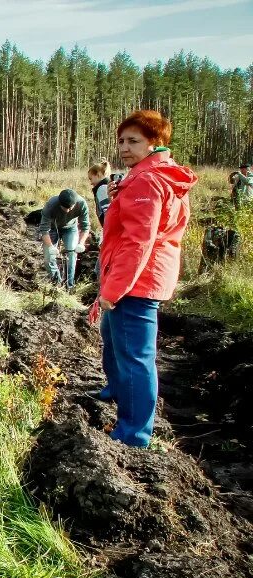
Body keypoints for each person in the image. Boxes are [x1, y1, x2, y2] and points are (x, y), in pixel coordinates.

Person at [92, 110, 197, 448]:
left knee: (136, 355)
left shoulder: (147, 181)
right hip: (138, 275)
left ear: (155, 142)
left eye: (134, 141)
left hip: (136, 281)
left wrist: (113, 290)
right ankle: (117, 392)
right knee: (114, 338)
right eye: (121, 140)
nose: (124, 147)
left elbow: (139, 241)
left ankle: (133, 432)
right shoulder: (148, 176)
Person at [37, 189, 91, 291]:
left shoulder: (81, 203)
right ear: (59, 203)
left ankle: (69, 286)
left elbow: (85, 226)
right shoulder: (51, 205)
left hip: (71, 228)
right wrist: (50, 246)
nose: (67, 211)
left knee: (72, 254)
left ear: (75, 204)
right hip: (52, 229)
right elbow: (44, 230)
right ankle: (57, 283)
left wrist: (81, 243)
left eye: (70, 208)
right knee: (48, 257)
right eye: (64, 208)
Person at [89, 158, 112, 226]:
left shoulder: (102, 189)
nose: (91, 183)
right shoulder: (107, 185)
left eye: (91, 179)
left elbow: (108, 212)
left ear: (98, 175)